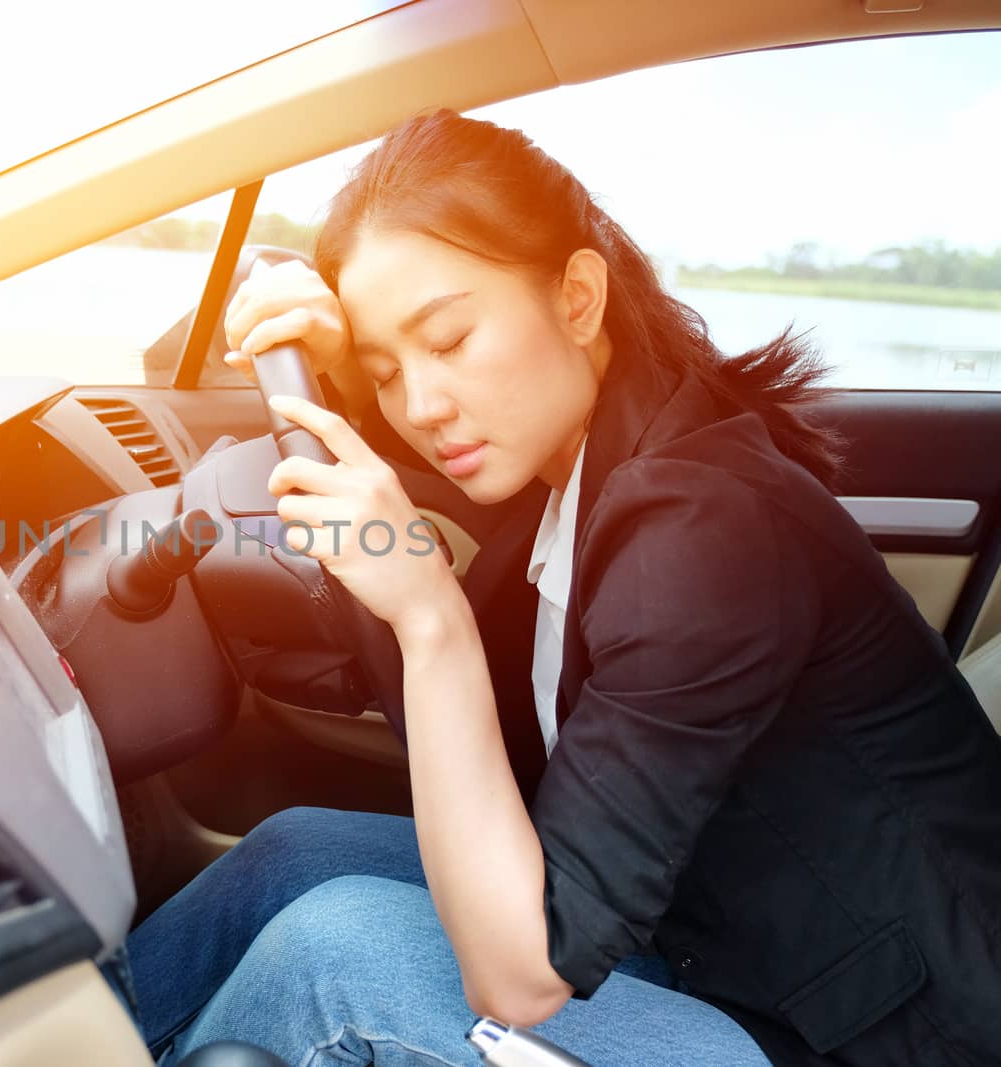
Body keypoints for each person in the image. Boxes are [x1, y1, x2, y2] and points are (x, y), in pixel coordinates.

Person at [118, 110, 1001, 1066]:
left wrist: (430, 615)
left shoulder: (703, 532)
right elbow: (484, 750)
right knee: (289, 856)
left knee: (334, 954)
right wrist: (334, 383)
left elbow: (524, 973)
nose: (421, 405)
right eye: (385, 370)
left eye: (449, 339)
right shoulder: (582, 471)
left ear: (578, 298)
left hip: (869, 1036)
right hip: (708, 925)